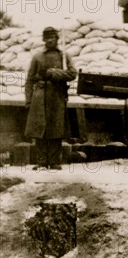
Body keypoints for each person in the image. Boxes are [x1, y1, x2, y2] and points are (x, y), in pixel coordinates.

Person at [25, 27, 77, 170]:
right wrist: (28, 100)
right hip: (40, 96)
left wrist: (54, 73)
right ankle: (41, 162)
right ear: (43, 39)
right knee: (40, 129)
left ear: (57, 39)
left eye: (52, 37)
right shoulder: (37, 57)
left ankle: (54, 162)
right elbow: (29, 80)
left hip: (57, 95)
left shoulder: (64, 56)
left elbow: (73, 73)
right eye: (46, 38)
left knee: (56, 129)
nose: (49, 40)